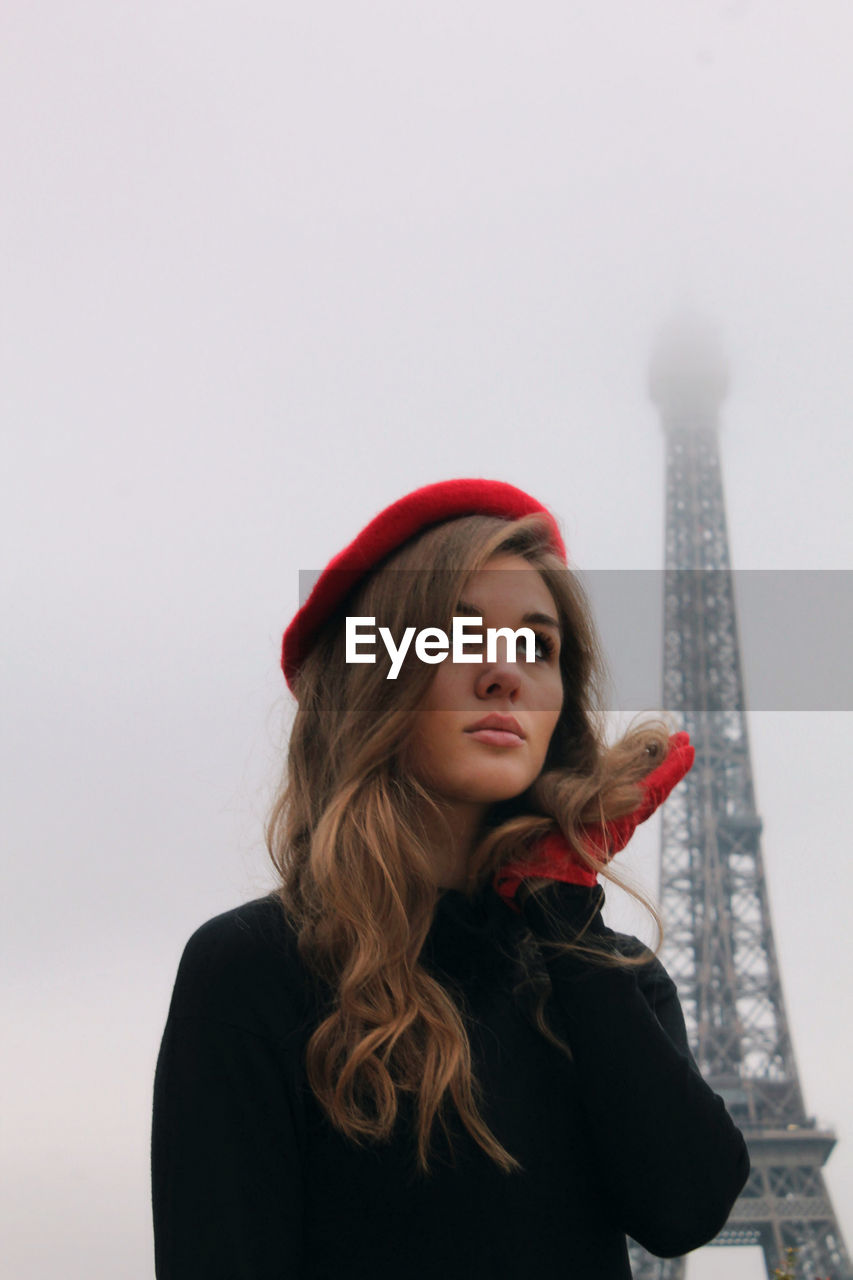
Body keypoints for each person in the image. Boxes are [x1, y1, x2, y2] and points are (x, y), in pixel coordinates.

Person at [151, 478, 750, 1279]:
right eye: (455, 638)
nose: (504, 674)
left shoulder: (608, 973)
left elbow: (683, 1210)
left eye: (537, 646)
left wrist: (562, 903)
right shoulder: (253, 969)